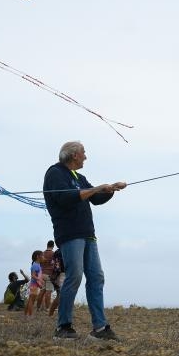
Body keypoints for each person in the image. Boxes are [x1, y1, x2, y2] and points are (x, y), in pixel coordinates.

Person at [43, 140, 126, 341]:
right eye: (83, 153)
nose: (86, 157)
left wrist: (111, 189)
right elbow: (66, 198)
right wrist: (97, 188)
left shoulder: (79, 177)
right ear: (73, 155)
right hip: (70, 233)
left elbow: (95, 199)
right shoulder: (55, 173)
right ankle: (63, 327)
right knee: (75, 276)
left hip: (88, 234)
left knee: (97, 277)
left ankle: (100, 328)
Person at [37, 240, 56, 312]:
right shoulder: (53, 254)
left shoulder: (42, 254)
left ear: (47, 245)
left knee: (42, 291)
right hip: (49, 275)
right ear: (53, 246)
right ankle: (48, 308)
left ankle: (38, 308)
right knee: (48, 292)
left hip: (42, 274)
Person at [25, 250, 44, 316]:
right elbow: (33, 275)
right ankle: (30, 314)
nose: (43, 257)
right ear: (38, 256)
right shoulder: (35, 265)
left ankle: (26, 314)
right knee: (31, 300)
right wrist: (40, 280)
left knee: (31, 299)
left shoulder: (37, 264)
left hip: (34, 285)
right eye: (42, 255)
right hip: (34, 285)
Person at [48, 249, 65, 316]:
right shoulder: (61, 251)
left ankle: (52, 313)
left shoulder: (57, 251)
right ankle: (51, 313)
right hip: (61, 274)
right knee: (60, 295)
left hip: (58, 274)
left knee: (60, 295)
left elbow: (53, 263)